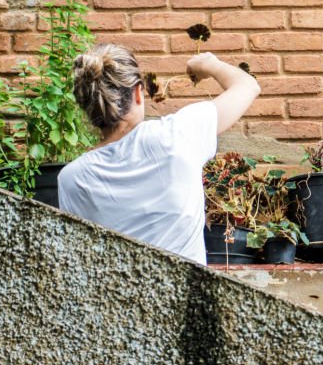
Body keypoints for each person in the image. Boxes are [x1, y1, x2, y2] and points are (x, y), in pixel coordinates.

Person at [58, 44, 261, 265]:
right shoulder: (177, 134)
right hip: (185, 296)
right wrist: (208, 64)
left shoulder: (71, 178)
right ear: (137, 92)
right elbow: (247, 86)